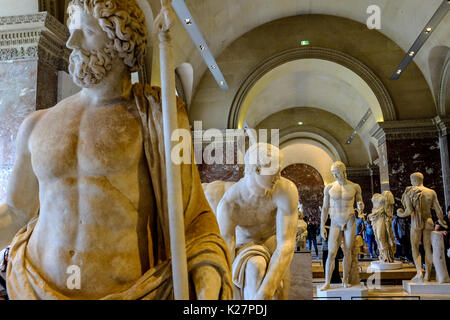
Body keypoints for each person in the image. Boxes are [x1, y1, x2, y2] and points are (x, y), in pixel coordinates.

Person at [0, 0, 232, 300]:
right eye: (72, 31)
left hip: (130, 291)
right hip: (33, 286)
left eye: (86, 31)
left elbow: (194, 214)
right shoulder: (37, 124)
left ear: (121, 41)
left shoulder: (159, 117)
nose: (72, 42)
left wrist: (206, 276)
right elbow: (16, 211)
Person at [217, 143, 299, 300]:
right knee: (255, 267)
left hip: (276, 249)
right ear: (257, 169)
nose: (279, 176)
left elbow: (286, 244)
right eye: (275, 170)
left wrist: (265, 292)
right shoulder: (230, 204)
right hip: (245, 247)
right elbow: (226, 253)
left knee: (277, 290)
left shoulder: (285, 190)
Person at [319, 161, 364, 291]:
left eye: (337, 173)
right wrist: (322, 225)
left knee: (348, 251)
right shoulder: (329, 188)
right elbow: (325, 208)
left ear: (344, 172)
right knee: (331, 252)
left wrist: (361, 206)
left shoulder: (355, 187)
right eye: (333, 174)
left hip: (349, 220)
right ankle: (327, 282)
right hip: (335, 222)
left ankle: (345, 280)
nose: (335, 176)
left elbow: (360, 203)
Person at [397, 172, 448, 282]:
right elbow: (438, 209)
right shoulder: (431, 192)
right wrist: (443, 222)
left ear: (413, 180)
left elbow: (408, 211)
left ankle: (419, 272)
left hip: (416, 222)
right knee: (427, 248)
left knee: (415, 247)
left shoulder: (409, 192)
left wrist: (399, 213)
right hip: (428, 221)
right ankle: (428, 275)